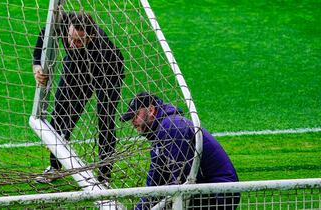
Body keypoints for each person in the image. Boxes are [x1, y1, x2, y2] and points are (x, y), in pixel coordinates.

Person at [33, 11, 124, 184]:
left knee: (105, 122)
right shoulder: (62, 22)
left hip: (108, 73)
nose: (73, 44)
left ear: (91, 37)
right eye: (71, 39)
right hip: (75, 66)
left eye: (79, 41)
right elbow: (42, 38)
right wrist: (36, 66)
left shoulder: (102, 49)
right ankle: (55, 167)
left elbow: (84, 88)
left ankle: (104, 177)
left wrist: (76, 101)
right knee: (60, 115)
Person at [120, 92, 240, 210]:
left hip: (219, 193)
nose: (133, 122)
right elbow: (155, 182)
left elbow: (181, 178)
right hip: (209, 190)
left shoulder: (171, 127)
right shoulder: (162, 133)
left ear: (151, 110)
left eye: (135, 115)